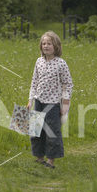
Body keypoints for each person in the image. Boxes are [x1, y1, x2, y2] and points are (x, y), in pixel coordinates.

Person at [28, 31, 73, 169]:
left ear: (56, 46)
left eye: (49, 43)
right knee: (35, 131)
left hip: (53, 103)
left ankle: (50, 160)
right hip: (38, 101)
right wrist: (30, 99)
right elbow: (34, 81)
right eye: (44, 43)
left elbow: (68, 84)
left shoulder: (61, 63)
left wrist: (65, 103)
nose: (46, 46)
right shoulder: (38, 61)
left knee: (51, 132)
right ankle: (39, 157)